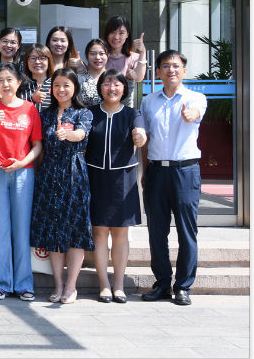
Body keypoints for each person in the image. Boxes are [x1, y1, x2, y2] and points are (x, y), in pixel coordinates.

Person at [140, 50, 205, 306]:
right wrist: (145, 171)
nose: (171, 70)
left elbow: (196, 112)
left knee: (187, 231)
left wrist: (192, 114)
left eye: (176, 66)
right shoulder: (148, 101)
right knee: (157, 231)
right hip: (156, 171)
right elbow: (146, 140)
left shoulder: (195, 98)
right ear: (157, 72)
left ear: (184, 71)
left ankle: (183, 286)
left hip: (185, 171)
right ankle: (162, 283)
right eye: (165, 66)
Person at [30, 68, 94, 305]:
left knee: (75, 230)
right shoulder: (45, 114)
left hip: (74, 173)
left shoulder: (84, 113)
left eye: (66, 84)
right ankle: (58, 283)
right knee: (53, 230)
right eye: (57, 85)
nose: (61, 89)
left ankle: (71, 286)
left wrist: (69, 135)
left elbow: (81, 134)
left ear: (75, 87)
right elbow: (39, 146)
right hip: (48, 174)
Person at [0, 64, 43, 302]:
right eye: (0, 80)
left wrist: (22, 163)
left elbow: (37, 144)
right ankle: (2, 283)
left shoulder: (30, 109)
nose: (5, 84)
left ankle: (24, 284)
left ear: (18, 83)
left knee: (21, 228)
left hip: (23, 171)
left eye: (9, 79)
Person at [86, 69, 147, 304]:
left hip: (124, 179)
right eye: (107, 83)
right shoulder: (90, 113)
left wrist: (140, 136)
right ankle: (104, 285)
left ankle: (119, 285)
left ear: (124, 89)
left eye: (117, 84)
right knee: (99, 233)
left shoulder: (133, 113)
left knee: (121, 233)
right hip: (95, 177)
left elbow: (140, 132)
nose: (112, 88)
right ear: (100, 88)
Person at [104, 16, 148, 108]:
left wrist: (143, 52)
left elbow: (139, 77)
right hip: (101, 107)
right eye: (112, 32)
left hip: (124, 109)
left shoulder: (133, 57)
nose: (116, 37)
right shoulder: (100, 57)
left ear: (127, 35)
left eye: (121, 33)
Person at [18, 44, 53, 112]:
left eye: (42, 58)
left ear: (49, 61)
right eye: (33, 58)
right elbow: (15, 110)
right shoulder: (20, 85)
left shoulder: (55, 84)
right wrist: (32, 99)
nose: (37, 62)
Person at [77, 39, 110, 107]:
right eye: (93, 54)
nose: (97, 57)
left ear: (108, 55)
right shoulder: (81, 79)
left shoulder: (114, 78)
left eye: (101, 53)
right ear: (87, 56)